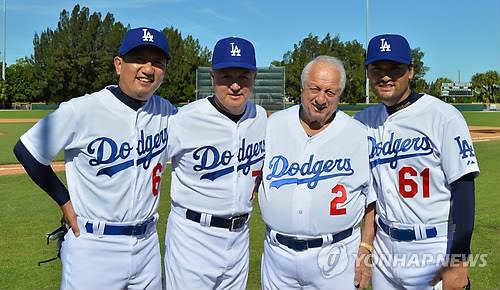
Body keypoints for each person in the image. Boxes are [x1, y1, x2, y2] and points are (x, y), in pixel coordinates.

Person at [13, 27, 176, 290]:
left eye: (157, 62)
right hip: (94, 245)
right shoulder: (82, 109)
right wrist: (64, 201)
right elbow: (26, 149)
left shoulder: (167, 111)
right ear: (119, 64)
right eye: (139, 59)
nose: (148, 68)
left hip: (147, 246)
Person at [354, 34, 479, 290]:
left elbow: (464, 188)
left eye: (395, 69)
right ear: (368, 73)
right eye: (377, 68)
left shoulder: (442, 116)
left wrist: (458, 260)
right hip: (384, 250)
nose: (385, 76)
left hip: (433, 246)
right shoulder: (363, 122)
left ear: (410, 71)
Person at [258, 55, 376, 290]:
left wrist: (366, 249)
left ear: (339, 95)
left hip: (336, 257)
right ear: (302, 88)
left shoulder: (359, 134)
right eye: (315, 89)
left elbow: (371, 200)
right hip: (277, 257)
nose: (321, 99)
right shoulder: (272, 126)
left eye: (330, 92)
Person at [163, 36, 267, 289]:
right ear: (212, 78)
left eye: (243, 76)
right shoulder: (183, 119)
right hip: (192, 237)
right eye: (225, 76)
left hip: (240, 237)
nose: (234, 85)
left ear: (254, 77)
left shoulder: (260, 117)